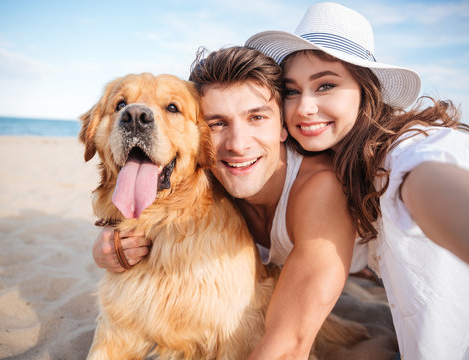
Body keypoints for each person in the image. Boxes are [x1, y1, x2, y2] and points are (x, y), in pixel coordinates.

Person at [245, 2, 469, 359]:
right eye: (291, 90)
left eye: (325, 86)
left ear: (366, 89)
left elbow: (437, 184)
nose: (303, 107)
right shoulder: (346, 172)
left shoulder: (406, 149)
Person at [92, 46, 365, 358]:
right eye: (218, 123)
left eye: (257, 117)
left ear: (284, 126)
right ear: (202, 136)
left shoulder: (319, 191)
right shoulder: (210, 179)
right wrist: (109, 241)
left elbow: (289, 345)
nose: (237, 145)